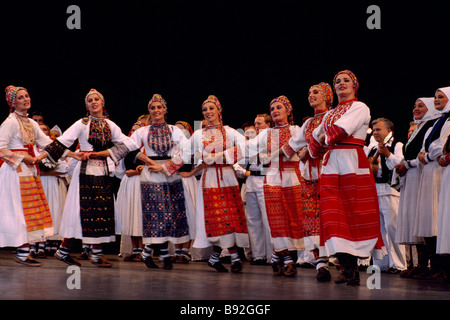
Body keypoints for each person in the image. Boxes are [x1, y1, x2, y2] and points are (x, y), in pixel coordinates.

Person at [39, 88, 140, 267]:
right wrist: (44, 158)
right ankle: (68, 250)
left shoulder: (110, 125)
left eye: (96, 99)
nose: (93, 102)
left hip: (101, 171)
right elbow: (61, 142)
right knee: (80, 210)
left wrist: (106, 152)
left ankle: (92, 253)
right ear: (86, 105)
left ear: (102, 103)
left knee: (100, 210)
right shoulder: (82, 123)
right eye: (90, 100)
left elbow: (130, 142)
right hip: (84, 172)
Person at [305, 70, 385, 285]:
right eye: (337, 81)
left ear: (354, 85)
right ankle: (346, 266)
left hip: (352, 161)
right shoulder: (331, 113)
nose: (341, 83)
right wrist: (321, 137)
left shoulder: (360, 107)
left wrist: (322, 136)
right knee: (333, 215)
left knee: (354, 213)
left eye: (346, 80)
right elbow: (313, 143)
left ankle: (352, 267)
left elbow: (340, 131)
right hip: (331, 164)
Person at [174, 95, 249, 273]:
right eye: (205, 110)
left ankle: (216, 258)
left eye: (211, 108)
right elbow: (184, 154)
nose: (208, 112)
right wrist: (164, 167)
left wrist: (223, 156)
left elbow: (248, 146)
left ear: (219, 111)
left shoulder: (230, 132)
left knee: (230, 218)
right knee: (218, 219)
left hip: (228, 176)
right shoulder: (199, 134)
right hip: (210, 180)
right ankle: (234, 258)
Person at [234, 96, 304, 277]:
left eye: (278, 107)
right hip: (272, 178)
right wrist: (220, 157)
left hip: (293, 178)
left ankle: (275, 254)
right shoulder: (266, 134)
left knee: (293, 220)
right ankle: (287, 259)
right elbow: (245, 148)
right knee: (276, 220)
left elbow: (304, 145)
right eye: (272, 109)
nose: (274, 111)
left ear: (288, 110)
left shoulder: (296, 130)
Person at [124, 94, 191, 270]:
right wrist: (146, 160)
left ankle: (149, 252)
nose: (156, 111)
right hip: (151, 176)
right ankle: (163, 254)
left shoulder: (174, 130)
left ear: (165, 110)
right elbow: (127, 148)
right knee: (156, 216)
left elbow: (188, 150)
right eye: (153, 108)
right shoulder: (142, 131)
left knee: (171, 216)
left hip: (170, 174)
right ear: (149, 111)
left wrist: (166, 167)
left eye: (159, 107)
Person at [0, 86, 59, 266]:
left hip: (28, 170)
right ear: (13, 102)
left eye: (27, 96)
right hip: (14, 171)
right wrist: (23, 157)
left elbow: (47, 143)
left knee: (27, 210)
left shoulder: (31, 123)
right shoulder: (10, 122)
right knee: (17, 211)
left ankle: (24, 251)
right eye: (20, 97)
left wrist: (71, 153)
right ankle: (23, 251)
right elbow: (1, 149)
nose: (26, 99)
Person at [283, 82, 334, 281]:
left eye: (316, 92)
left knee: (331, 216)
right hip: (310, 176)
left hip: (331, 172)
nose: (311, 95)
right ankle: (320, 263)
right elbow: (291, 146)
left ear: (327, 96)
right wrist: (266, 154)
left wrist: (309, 150)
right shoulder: (308, 122)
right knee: (311, 219)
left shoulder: (334, 116)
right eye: (309, 92)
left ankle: (346, 263)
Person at [394, 98, 440, 278]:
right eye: (414, 106)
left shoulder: (431, 125)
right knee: (415, 220)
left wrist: (408, 163)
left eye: (421, 106)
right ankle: (421, 264)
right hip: (412, 175)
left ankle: (433, 265)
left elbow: (424, 153)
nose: (416, 109)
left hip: (421, 174)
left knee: (424, 219)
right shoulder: (421, 127)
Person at [415, 86, 450, 280]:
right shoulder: (435, 123)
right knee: (428, 220)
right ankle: (434, 266)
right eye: (435, 97)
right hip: (430, 171)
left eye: (441, 97)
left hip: (439, 171)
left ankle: (443, 268)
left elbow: (440, 146)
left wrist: (427, 155)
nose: (436, 100)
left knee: (438, 219)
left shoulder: (448, 121)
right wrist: (426, 154)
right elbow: (426, 146)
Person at [366, 118, 407, 273]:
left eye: (379, 129)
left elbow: (401, 163)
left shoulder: (397, 145)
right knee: (378, 229)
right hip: (373, 190)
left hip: (390, 190)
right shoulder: (371, 148)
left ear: (389, 131)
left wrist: (388, 154)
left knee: (392, 227)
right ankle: (381, 263)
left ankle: (398, 264)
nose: (375, 132)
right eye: (374, 130)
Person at [241, 114, 273, 265]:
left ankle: (272, 255)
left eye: (259, 123)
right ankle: (259, 254)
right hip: (251, 180)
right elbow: (241, 162)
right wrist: (241, 170)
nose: (257, 126)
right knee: (252, 220)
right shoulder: (251, 142)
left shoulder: (271, 137)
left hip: (265, 179)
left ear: (268, 124)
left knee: (268, 219)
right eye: (255, 123)